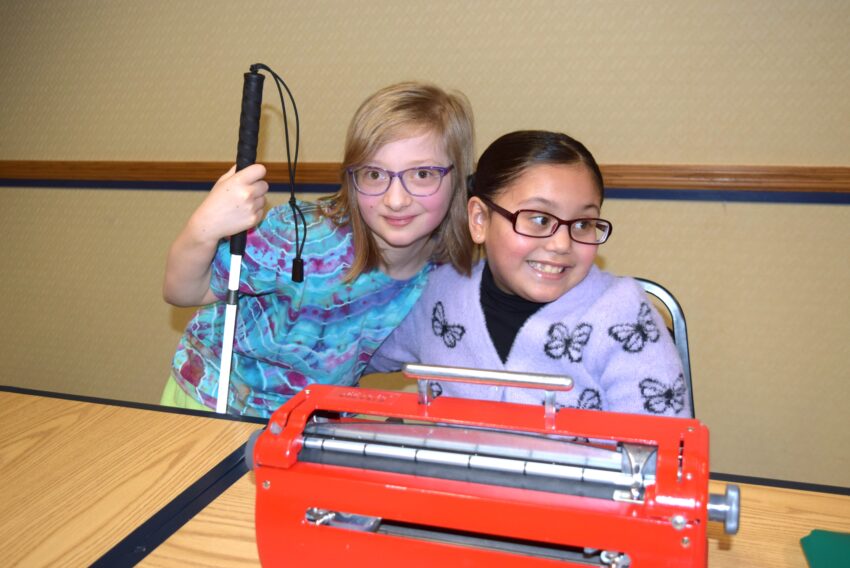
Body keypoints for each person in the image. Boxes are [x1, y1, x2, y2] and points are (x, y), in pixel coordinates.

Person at [161, 81, 475, 417]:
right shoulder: (301, 237)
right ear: (350, 179)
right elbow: (183, 290)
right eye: (373, 174)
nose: (395, 199)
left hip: (311, 423)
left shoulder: (447, 275)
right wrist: (203, 227)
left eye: (423, 174)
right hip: (211, 402)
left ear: (459, 178)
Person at [368, 130, 690, 417]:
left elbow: (664, 452)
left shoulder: (621, 313)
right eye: (538, 219)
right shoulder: (437, 296)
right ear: (480, 219)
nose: (562, 243)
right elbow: (352, 354)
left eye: (583, 224)